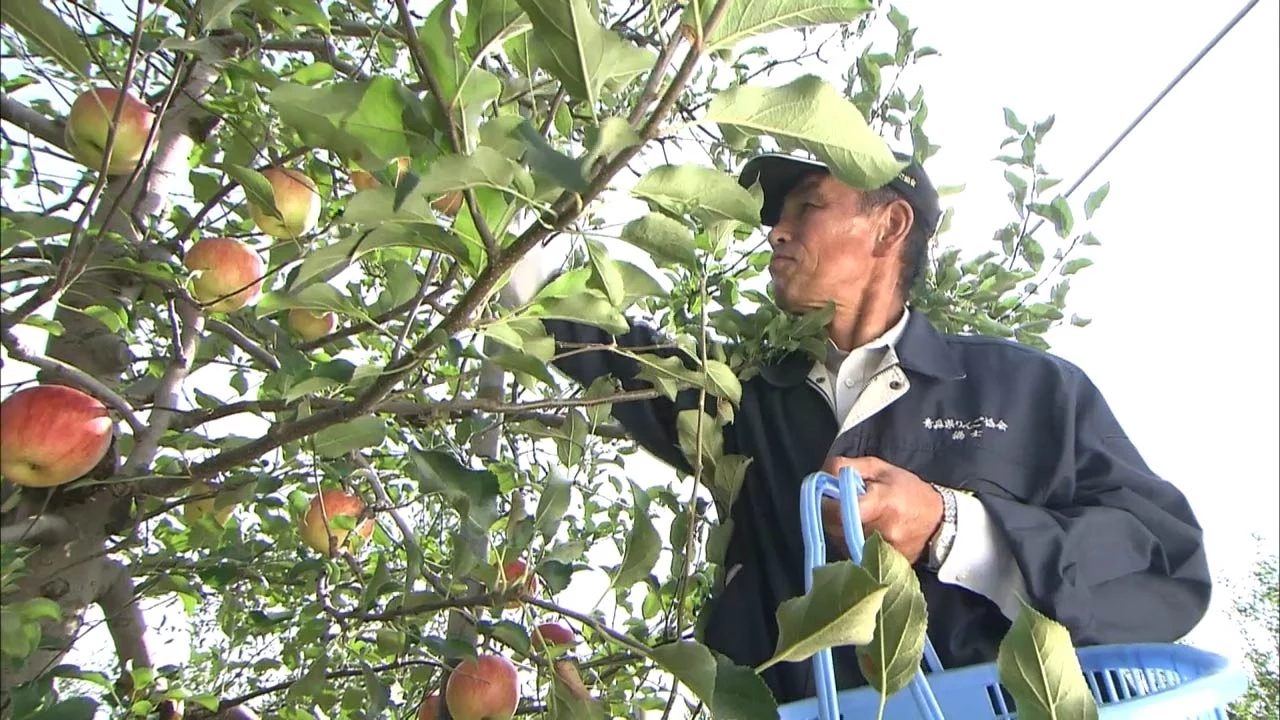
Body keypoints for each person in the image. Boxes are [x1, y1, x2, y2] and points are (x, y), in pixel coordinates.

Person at [503, 149, 1213, 705]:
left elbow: (1165, 571)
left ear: (890, 226)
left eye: (808, 206)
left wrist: (951, 526)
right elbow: (620, 356)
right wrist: (495, 223)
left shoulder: (1030, 391)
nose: (777, 231)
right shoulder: (752, 406)